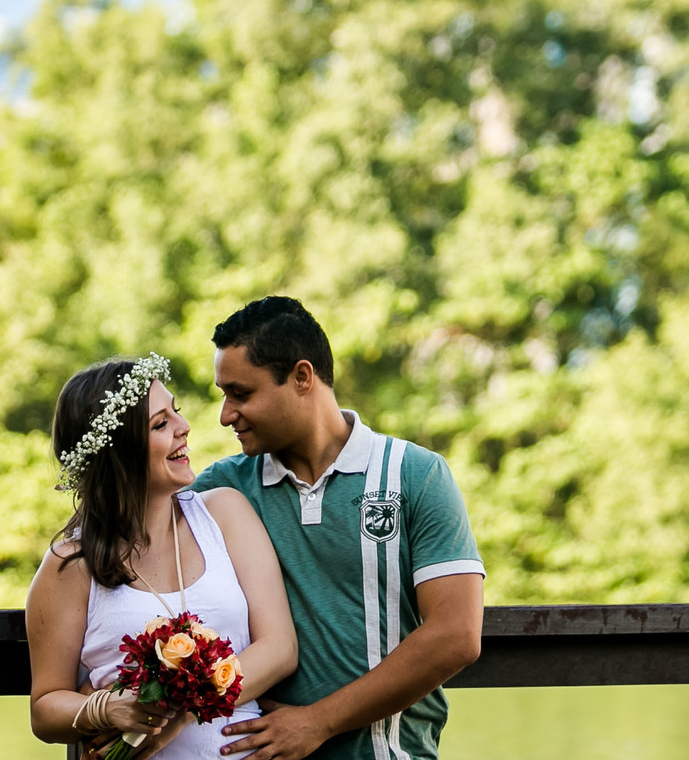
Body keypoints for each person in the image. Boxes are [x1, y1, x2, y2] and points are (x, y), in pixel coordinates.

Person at [189, 296, 485, 760]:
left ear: (302, 377)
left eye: (241, 394)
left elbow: (456, 635)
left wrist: (317, 722)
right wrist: (102, 707)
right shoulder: (220, 489)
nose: (226, 414)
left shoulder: (416, 474)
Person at [26, 353, 298, 758]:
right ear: (120, 451)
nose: (184, 427)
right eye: (160, 424)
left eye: (177, 411)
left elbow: (279, 649)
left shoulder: (225, 514)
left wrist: (180, 714)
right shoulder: (70, 564)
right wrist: (105, 708)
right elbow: (45, 709)